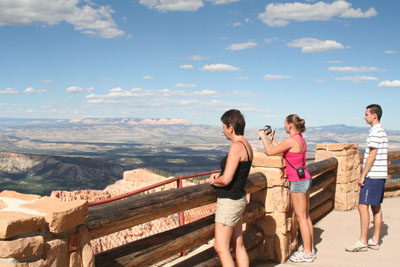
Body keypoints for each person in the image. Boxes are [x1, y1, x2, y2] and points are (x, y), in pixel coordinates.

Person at [258, 114, 315, 263]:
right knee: (306, 216)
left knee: (301, 218)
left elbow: (271, 152)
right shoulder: (300, 139)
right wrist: (272, 139)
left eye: (285, 123)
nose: (284, 126)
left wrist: (263, 137)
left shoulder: (291, 140)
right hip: (305, 178)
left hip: (297, 181)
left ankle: (307, 252)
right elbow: (283, 150)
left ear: (290, 125)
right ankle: (310, 248)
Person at [209, 109, 253, 267]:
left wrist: (214, 181)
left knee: (220, 247)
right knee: (238, 245)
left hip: (229, 201)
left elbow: (227, 179)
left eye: (223, 126)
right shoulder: (247, 144)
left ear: (230, 127)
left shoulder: (236, 147)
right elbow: (236, 174)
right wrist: (219, 176)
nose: (222, 130)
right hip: (238, 199)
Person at [345, 104, 388, 252]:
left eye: (366, 114)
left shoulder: (375, 132)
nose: (364, 117)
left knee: (363, 206)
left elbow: (372, 155)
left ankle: (362, 241)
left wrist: (363, 175)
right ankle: (375, 240)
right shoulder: (382, 131)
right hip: (380, 175)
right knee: (376, 207)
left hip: (372, 175)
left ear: (374, 115)